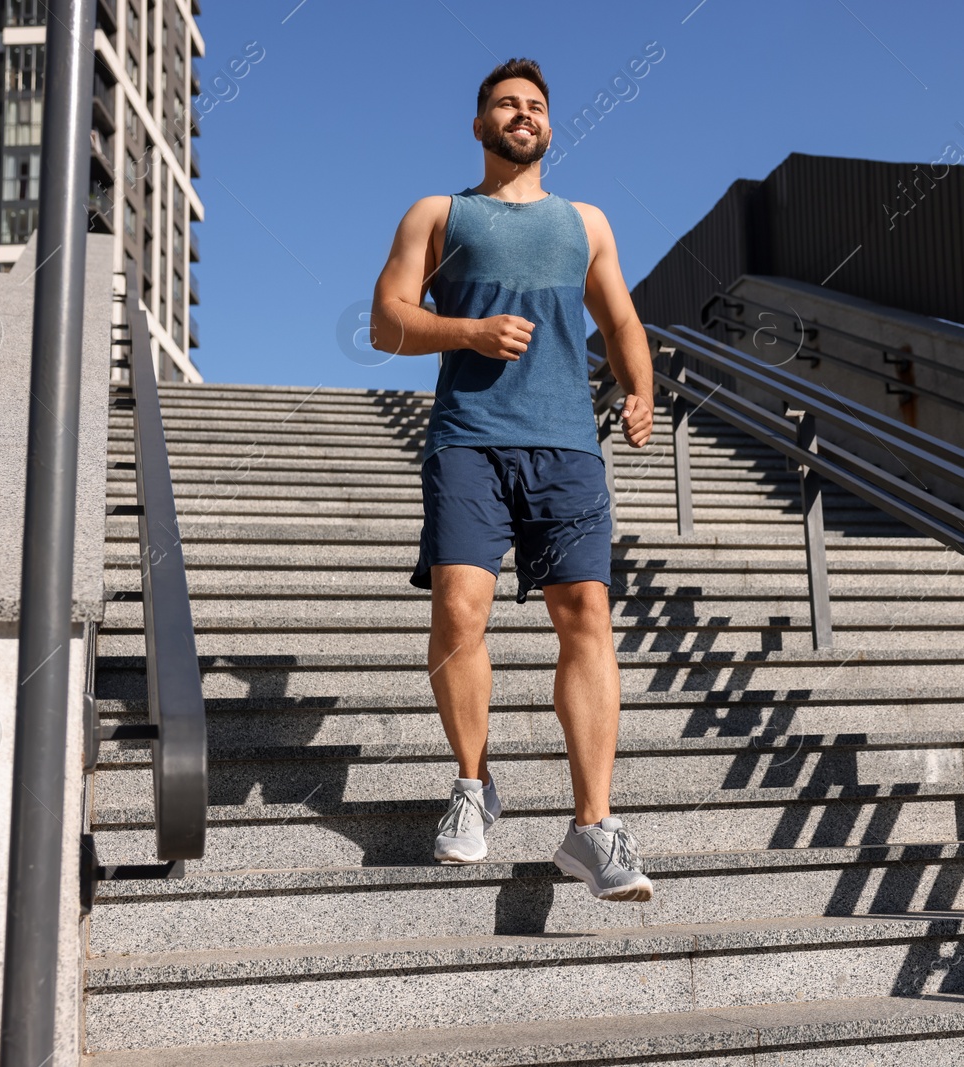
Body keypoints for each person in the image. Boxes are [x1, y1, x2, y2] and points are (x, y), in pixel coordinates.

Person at [370, 58, 656, 902]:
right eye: (505, 104)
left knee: (587, 616)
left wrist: (639, 391)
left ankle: (592, 826)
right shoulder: (439, 212)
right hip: (469, 442)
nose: (521, 114)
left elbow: (623, 318)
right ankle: (472, 784)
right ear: (480, 125)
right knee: (460, 603)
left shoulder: (587, 223)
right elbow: (388, 322)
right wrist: (468, 330)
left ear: (550, 128)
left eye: (534, 105)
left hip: (568, 448)